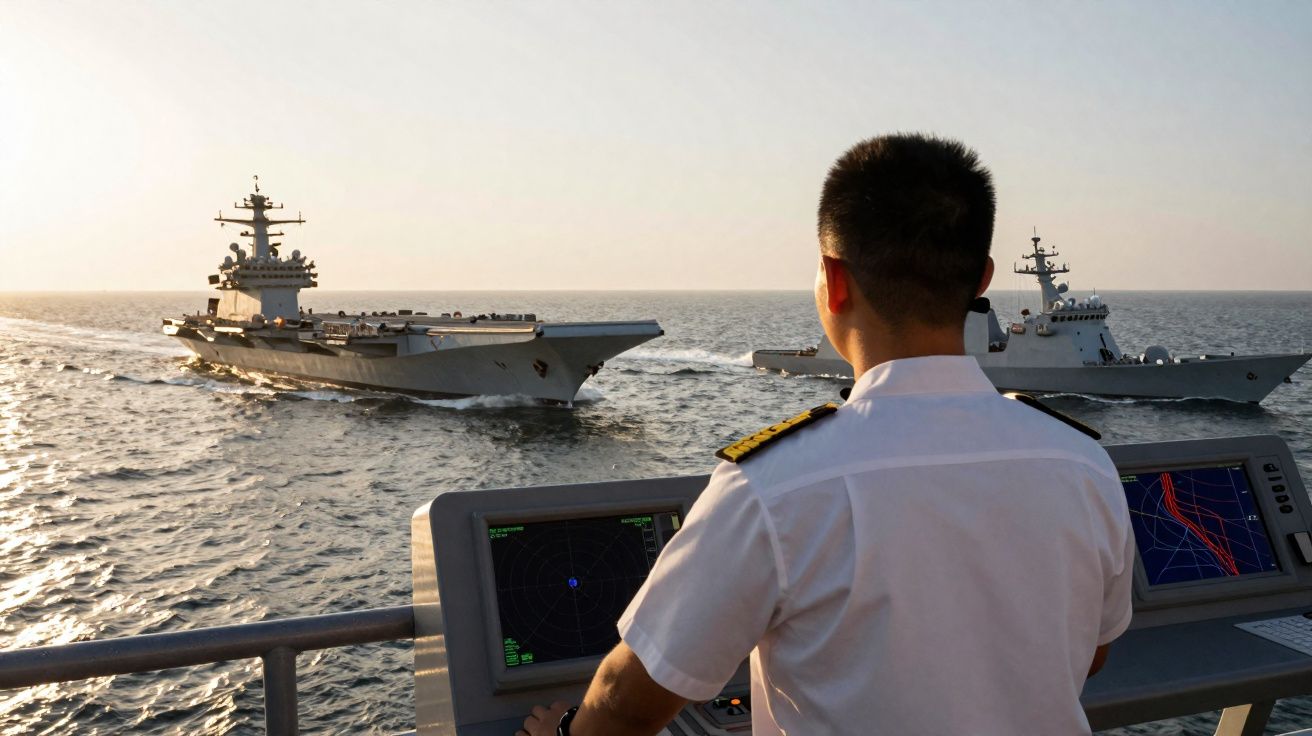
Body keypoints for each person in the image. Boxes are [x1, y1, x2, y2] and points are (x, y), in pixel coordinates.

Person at [519, 133, 1134, 736]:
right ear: (982, 280)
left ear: (833, 280)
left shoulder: (770, 486)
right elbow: (1093, 653)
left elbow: (630, 703)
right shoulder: (1084, 463)